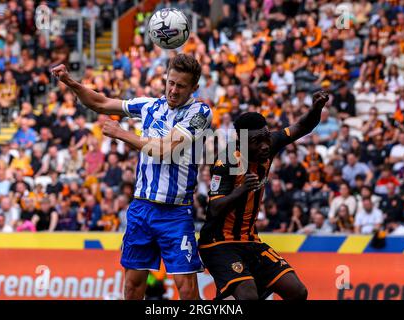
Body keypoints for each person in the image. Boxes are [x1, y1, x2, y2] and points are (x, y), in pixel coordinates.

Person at [51, 53, 212, 300]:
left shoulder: (199, 112)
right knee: (132, 286)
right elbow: (101, 103)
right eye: (171, 82)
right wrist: (71, 83)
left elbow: (165, 149)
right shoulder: (149, 106)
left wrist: (121, 133)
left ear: (194, 87)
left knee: (188, 290)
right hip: (142, 208)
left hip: (175, 212)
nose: (173, 90)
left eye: (181, 86)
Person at [199, 90, 329, 300]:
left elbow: (301, 127)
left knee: (298, 291)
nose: (265, 145)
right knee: (248, 297)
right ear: (241, 142)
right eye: (257, 141)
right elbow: (214, 209)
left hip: (250, 240)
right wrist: (241, 191)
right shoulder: (227, 162)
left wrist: (316, 108)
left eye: (266, 137)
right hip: (218, 243)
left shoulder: (268, 146)